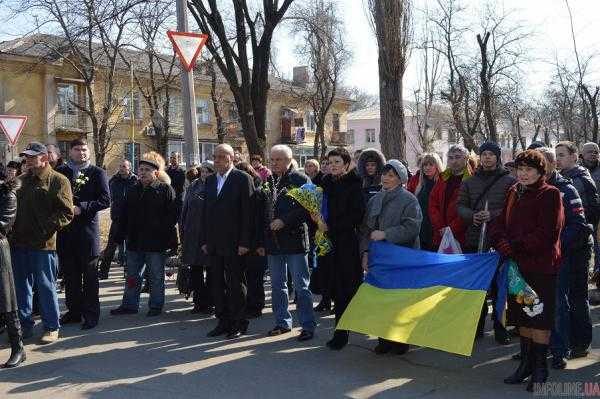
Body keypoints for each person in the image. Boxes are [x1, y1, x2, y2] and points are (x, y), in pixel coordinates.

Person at [490, 150, 564, 392]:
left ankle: (540, 369)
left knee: (538, 316)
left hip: (540, 267)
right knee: (522, 315)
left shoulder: (550, 194)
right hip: (516, 267)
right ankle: (526, 365)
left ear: (541, 172)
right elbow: (500, 222)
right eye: (520, 169)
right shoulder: (514, 191)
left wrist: (515, 246)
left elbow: (547, 233)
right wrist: (499, 240)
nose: (523, 174)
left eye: (529, 169)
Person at [10, 142, 74, 344]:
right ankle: (23, 326)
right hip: (18, 244)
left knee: (45, 287)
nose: (27, 160)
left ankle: (51, 327)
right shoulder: (19, 180)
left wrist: (44, 228)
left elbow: (66, 213)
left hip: (43, 245)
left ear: (44, 158)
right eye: (26, 156)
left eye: (31, 156)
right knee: (21, 288)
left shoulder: (58, 180)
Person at [536, 147, 592, 369]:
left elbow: (578, 225)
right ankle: (537, 348)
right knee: (538, 303)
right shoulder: (526, 189)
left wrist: (554, 245)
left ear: (551, 165)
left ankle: (563, 349)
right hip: (537, 257)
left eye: (541, 163)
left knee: (562, 302)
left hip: (565, 254)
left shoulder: (566, 189)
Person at [456, 142, 516, 344]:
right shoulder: (469, 182)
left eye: (491, 154)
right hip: (474, 239)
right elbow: (460, 206)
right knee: (477, 286)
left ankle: (500, 327)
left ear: (498, 157)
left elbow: (513, 208)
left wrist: (493, 215)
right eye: (484, 154)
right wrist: (472, 216)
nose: (487, 157)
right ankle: (476, 326)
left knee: (500, 287)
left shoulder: (509, 181)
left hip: (499, 240)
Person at [361, 159, 422, 355]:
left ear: (401, 179)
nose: (385, 178)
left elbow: (413, 227)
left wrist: (387, 234)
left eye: (391, 175)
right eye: (384, 174)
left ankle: (401, 340)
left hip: (401, 256)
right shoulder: (374, 199)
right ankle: (383, 338)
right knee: (381, 298)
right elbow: (365, 230)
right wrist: (365, 252)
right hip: (379, 257)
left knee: (400, 299)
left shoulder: (409, 200)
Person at [111, 152, 178, 317]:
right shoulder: (133, 190)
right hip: (134, 242)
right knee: (132, 276)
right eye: (140, 169)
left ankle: (155, 306)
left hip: (156, 243)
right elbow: (124, 216)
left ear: (156, 173)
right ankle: (129, 305)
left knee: (156, 277)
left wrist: (170, 241)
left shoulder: (165, 190)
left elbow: (172, 217)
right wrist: (120, 235)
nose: (142, 172)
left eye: (147, 169)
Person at [200, 144, 254, 339]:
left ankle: (239, 322)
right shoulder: (210, 180)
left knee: (235, 284)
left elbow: (248, 214)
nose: (217, 160)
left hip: (235, 243)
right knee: (216, 283)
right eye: (215, 157)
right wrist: (205, 239)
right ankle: (222, 321)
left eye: (222, 156)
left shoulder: (242, 179)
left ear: (232, 158)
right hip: (214, 243)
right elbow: (206, 212)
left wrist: (245, 242)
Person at [262, 145, 315, 341]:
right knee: (277, 285)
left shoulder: (300, 180)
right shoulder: (269, 180)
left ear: (289, 160)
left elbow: (309, 208)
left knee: (301, 287)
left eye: (278, 160)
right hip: (274, 243)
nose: (274, 163)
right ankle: (282, 322)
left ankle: (308, 325)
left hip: (295, 241)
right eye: (272, 160)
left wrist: (285, 220)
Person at [55, 139, 110, 330]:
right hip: (66, 233)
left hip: (87, 233)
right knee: (70, 277)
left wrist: (82, 208)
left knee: (90, 278)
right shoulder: (61, 172)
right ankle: (74, 312)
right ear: (70, 152)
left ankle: (91, 315)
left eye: (84, 149)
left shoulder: (97, 173)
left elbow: (105, 200)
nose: (82, 153)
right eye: (77, 149)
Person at [320, 147, 366, 350]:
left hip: (347, 242)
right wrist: (318, 222)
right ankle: (340, 330)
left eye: (337, 162)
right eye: (330, 163)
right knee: (334, 287)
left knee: (346, 288)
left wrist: (331, 226)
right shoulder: (325, 183)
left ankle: (343, 332)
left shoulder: (355, 184)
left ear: (347, 164)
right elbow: (318, 209)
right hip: (328, 242)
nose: (333, 166)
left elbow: (356, 215)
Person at [555, 141, 596, 358]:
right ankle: (570, 340)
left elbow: (587, 214)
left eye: (562, 155)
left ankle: (582, 343)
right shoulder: (562, 179)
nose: (558, 159)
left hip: (579, 246)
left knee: (578, 297)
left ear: (574, 157)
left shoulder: (579, 180)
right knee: (567, 297)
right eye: (556, 155)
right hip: (568, 245)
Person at [235, 161, 268, 319]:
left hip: (256, 242)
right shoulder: (239, 192)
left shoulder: (259, 192)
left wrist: (261, 244)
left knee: (255, 277)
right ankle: (247, 304)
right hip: (242, 241)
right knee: (245, 276)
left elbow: (262, 220)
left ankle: (256, 306)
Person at [180, 166, 213, 314]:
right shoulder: (193, 186)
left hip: (210, 235)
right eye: (203, 171)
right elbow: (185, 209)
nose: (205, 174)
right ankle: (198, 302)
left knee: (213, 272)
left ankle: (212, 301)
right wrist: (183, 231)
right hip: (193, 234)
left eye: (208, 171)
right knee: (195, 270)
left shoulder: (217, 185)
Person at [429, 145, 473, 250]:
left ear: (466, 159)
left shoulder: (472, 180)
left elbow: (470, 208)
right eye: (451, 157)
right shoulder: (443, 178)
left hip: (462, 237)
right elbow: (433, 203)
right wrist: (440, 227)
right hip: (440, 235)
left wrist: (451, 229)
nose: (454, 161)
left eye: (457, 157)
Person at [99, 160, 138, 279]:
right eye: (120, 166)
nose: (121, 168)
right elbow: (108, 196)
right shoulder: (114, 180)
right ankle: (103, 272)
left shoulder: (136, 181)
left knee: (131, 248)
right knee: (110, 247)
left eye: (124, 166)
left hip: (132, 220)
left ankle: (128, 271)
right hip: (117, 219)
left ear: (129, 168)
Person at [0, 177, 24, 367]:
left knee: (8, 302)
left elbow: (4, 224)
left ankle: (18, 348)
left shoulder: (7, 193)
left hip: (0, 252)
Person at [406, 153, 443, 251]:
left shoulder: (443, 183)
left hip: (437, 228)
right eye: (425, 165)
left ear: (437, 166)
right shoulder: (417, 182)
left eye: (431, 164)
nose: (427, 168)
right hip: (421, 228)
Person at [580, 142, 600, 306]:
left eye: (596, 152)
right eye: (590, 152)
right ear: (581, 154)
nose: (593, 154)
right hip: (584, 221)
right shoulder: (577, 172)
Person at [166, 152, 186, 218]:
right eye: (171, 157)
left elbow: (180, 188)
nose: (172, 159)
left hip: (177, 202)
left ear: (179, 159)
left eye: (174, 158)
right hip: (168, 202)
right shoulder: (167, 171)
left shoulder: (182, 172)